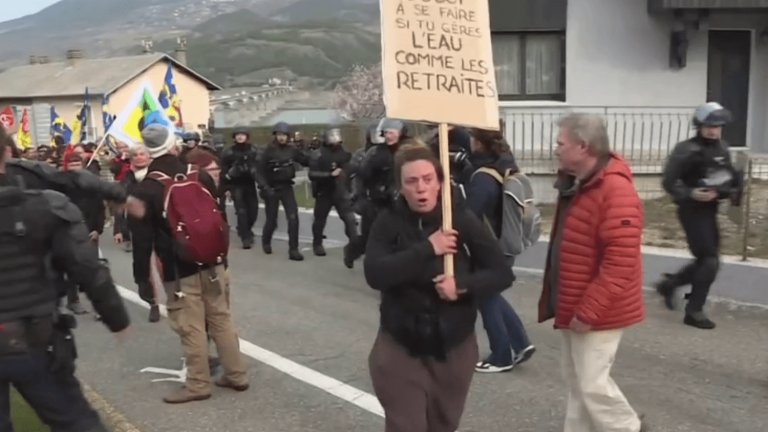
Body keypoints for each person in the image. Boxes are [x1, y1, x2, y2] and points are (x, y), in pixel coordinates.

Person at [364, 141, 513, 432]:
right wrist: (428, 249)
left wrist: (461, 286)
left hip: (454, 346)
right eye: (412, 181)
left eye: (428, 180)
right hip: (400, 345)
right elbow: (375, 274)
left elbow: (501, 273)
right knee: (406, 426)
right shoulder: (388, 221)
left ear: (440, 183)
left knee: (443, 425)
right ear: (401, 187)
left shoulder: (460, 219)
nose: (421, 188)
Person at [0, 124, 131, 432]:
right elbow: (86, 266)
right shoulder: (45, 205)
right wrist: (117, 318)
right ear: (8, 153)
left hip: (32, 334)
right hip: (32, 339)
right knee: (76, 423)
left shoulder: (42, 203)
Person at [539, 113, 647, 432]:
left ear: (583, 146)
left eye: (561, 143)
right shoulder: (581, 183)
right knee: (578, 382)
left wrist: (588, 312)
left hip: (599, 312)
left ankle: (629, 427)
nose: (555, 149)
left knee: (592, 385)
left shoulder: (615, 190)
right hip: (576, 303)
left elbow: (620, 263)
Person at [132, 124, 248, 404]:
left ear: (148, 150)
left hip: (177, 268)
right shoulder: (201, 176)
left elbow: (141, 243)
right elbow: (217, 219)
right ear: (174, 143)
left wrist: (143, 281)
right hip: (213, 262)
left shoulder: (146, 189)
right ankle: (236, 374)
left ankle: (198, 384)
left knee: (190, 325)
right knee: (221, 319)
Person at [655, 102, 741, 330]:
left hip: (710, 210)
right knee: (710, 260)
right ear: (699, 126)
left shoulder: (722, 147)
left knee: (707, 260)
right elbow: (669, 182)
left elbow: (729, 178)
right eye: (709, 126)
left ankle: (670, 284)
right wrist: (692, 193)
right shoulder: (686, 149)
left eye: (718, 126)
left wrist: (726, 192)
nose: (714, 131)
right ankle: (694, 310)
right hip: (691, 210)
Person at [464, 128, 535, 373]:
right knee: (492, 295)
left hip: (489, 247)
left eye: (472, 139)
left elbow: (469, 216)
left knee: (485, 297)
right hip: (506, 244)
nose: (469, 142)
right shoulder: (505, 167)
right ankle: (521, 343)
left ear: (480, 144)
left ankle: (501, 356)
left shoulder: (483, 177)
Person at [112, 144, 161, 323]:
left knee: (164, 264)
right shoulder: (126, 180)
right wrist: (118, 229)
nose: (139, 157)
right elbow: (119, 204)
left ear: (149, 157)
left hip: (161, 226)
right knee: (143, 268)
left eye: (142, 154)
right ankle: (152, 302)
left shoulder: (157, 176)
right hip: (138, 228)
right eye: (135, 155)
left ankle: (175, 296)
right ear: (131, 159)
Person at [258, 121, 309, 261]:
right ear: (275, 135)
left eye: (284, 135)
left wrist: (310, 150)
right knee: (271, 220)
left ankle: (293, 249)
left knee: (293, 218)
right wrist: (264, 187)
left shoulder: (292, 150)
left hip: (287, 187)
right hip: (272, 188)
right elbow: (259, 171)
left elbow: (305, 161)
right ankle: (266, 241)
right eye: (279, 135)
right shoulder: (267, 151)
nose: (282, 138)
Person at [308, 126, 359, 260]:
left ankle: (354, 245)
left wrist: (348, 175)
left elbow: (352, 169)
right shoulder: (318, 154)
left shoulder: (345, 153)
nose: (336, 141)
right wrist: (329, 175)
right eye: (332, 137)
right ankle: (317, 243)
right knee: (320, 219)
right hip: (324, 191)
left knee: (350, 220)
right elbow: (312, 174)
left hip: (340, 192)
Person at [220, 126, 260, 249]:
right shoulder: (228, 152)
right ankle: (245, 238)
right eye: (237, 135)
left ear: (247, 136)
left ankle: (246, 229)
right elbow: (223, 172)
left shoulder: (254, 150)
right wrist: (227, 183)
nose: (240, 137)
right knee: (241, 212)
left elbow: (261, 166)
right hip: (236, 185)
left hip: (250, 183)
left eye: (242, 134)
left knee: (253, 211)